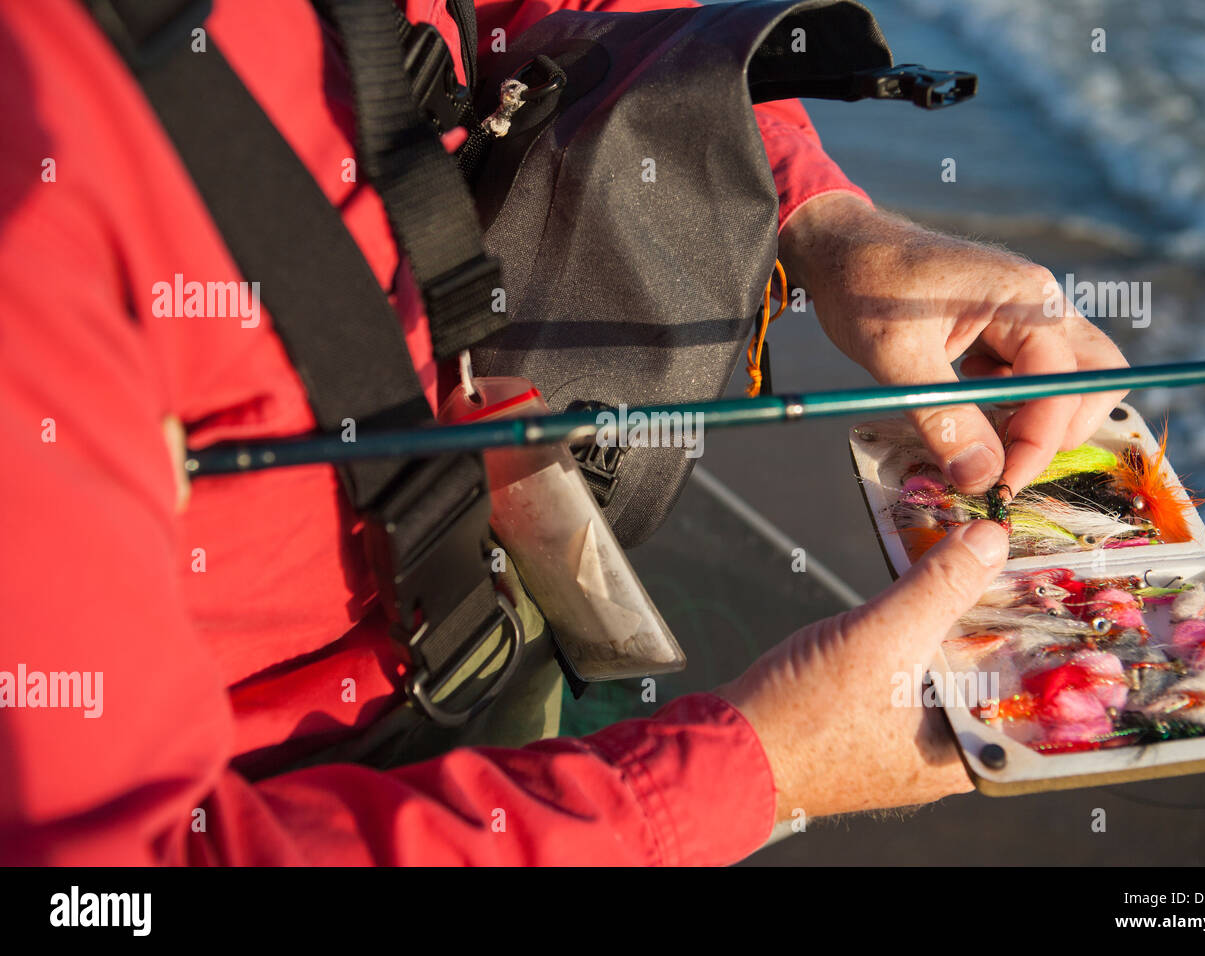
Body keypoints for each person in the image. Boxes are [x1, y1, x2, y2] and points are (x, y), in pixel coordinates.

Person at [0, 0, 1126, 865]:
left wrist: (823, 220)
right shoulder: (31, 208)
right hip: (287, 777)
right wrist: (756, 768)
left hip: (487, 622)